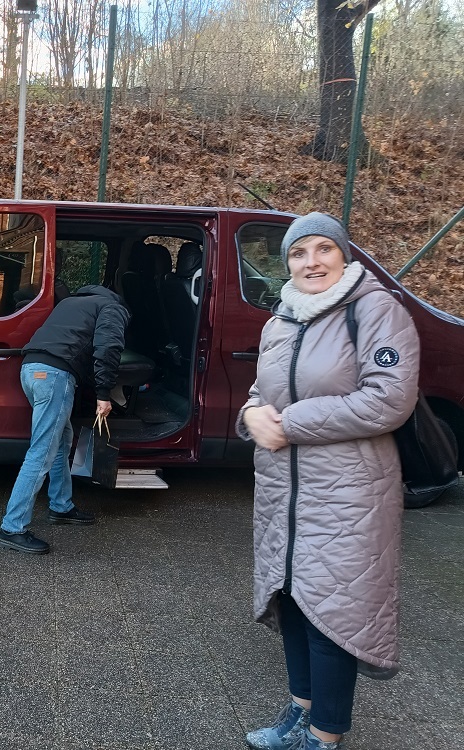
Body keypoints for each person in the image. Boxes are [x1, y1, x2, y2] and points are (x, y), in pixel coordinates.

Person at [237, 212, 420, 750]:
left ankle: (324, 735)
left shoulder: (375, 310)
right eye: (298, 253)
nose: (311, 262)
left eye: (324, 249)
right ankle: (300, 711)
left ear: (344, 254)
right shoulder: (280, 319)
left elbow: (389, 398)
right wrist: (250, 414)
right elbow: (261, 391)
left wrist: (289, 424)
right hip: (282, 490)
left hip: (350, 494)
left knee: (331, 612)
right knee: (292, 601)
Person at [0, 284, 129, 555]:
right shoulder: (113, 307)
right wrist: (104, 395)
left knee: (61, 440)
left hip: (31, 370)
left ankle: (61, 506)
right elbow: (108, 348)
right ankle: (12, 528)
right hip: (54, 376)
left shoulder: (71, 303)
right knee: (42, 452)